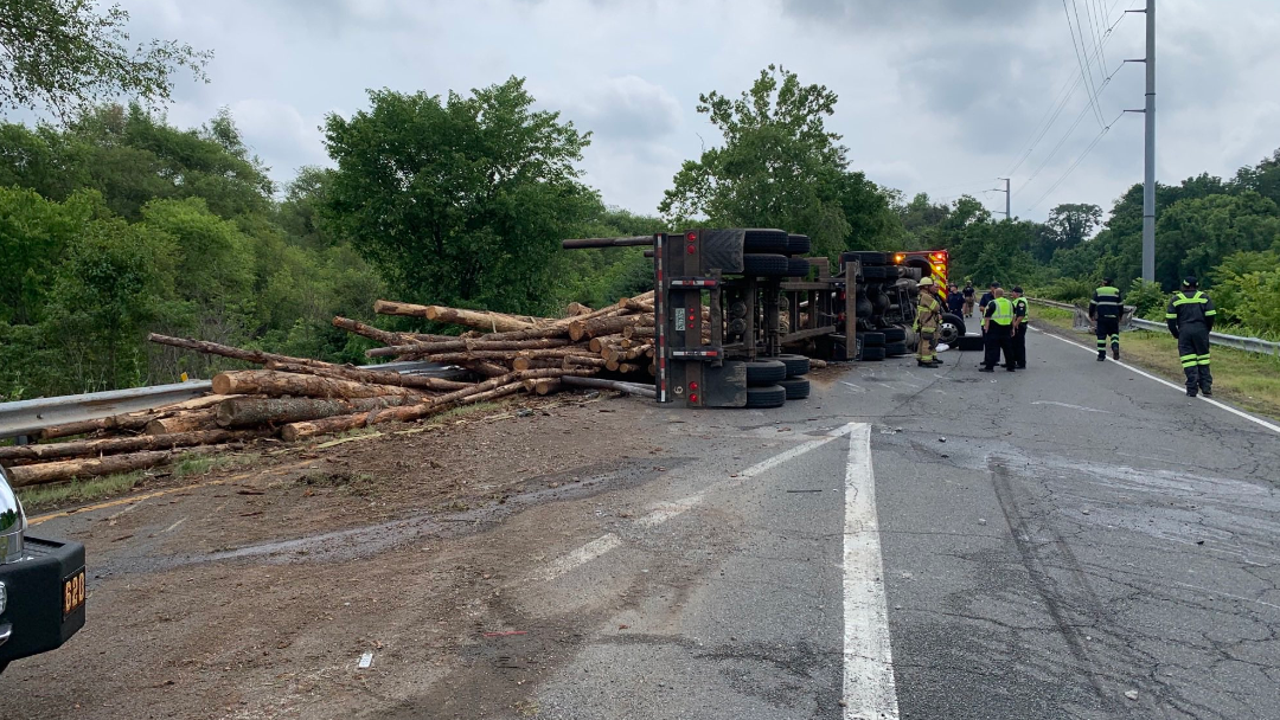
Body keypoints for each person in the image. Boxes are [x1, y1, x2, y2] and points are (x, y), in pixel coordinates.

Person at [1166, 276, 1217, 397]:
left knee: (1188, 360)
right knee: (1203, 358)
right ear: (1197, 285)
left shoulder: (1176, 299)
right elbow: (1211, 316)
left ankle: (1192, 388)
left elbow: (1170, 319)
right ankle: (1206, 387)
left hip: (1184, 331)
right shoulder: (1204, 298)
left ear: (1184, 286)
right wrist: (1206, 329)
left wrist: (1176, 333)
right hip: (1201, 330)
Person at [980, 283, 1016, 372]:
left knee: (992, 348)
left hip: (994, 327)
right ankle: (1011, 366)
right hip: (1007, 327)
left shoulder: (993, 303)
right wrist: (1013, 328)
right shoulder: (1010, 303)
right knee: (1008, 348)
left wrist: (986, 327)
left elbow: (987, 317)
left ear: (995, 294)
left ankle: (989, 367)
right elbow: (1013, 316)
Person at [1088, 277, 1123, 361]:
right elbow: (1121, 305)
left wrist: (1091, 314)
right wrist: (1120, 316)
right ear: (1111, 283)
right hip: (1113, 318)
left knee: (1101, 337)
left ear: (1103, 283)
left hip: (1102, 318)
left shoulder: (1099, 291)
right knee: (1114, 334)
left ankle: (1101, 356)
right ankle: (1115, 347)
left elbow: (1092, 304)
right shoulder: (1116, 291)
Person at [915, 276, 942, 368]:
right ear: (926, 287)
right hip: (928, 323)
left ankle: (921, 358)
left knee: (924, 341)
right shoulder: (926, 297)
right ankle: (927, 361)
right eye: (931, 285)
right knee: (928, 342)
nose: (933, 287)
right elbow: (936, 307)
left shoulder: (921, 295)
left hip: (925, 322)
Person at [1010, 286, 1029, 369]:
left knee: (1019, 344)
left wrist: (1015, 324)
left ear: (1017, 293)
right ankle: (1012, 361)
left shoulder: (1021, 301)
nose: (1011, 293)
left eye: (1013, 292)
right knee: (1014, 344)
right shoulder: (1017, 300)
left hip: (1020, 324)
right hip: (1018, 324)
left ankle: (1021, 363)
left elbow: (1021, 315)